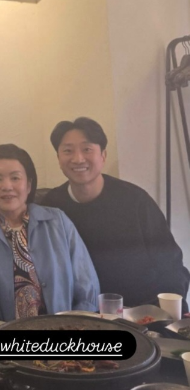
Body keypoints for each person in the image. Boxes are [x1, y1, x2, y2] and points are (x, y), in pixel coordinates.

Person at [42, 117, 189, 309]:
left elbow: (170, 263)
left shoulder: (135, 200)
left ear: (103, 155)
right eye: (68, 151)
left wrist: (171, 309)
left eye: (87, 149)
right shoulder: (50, 207)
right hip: (81, 313)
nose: (78, 159)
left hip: (142, 309)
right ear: (59, 159)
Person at [0, 144, 99, 321]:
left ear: (28, 184)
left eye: (15, 178)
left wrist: (73, 327)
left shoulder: (58, 222)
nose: (7, 186)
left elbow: (87, 288)